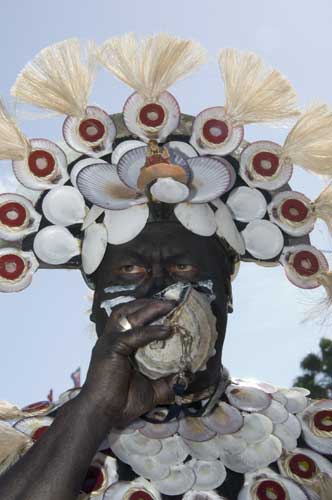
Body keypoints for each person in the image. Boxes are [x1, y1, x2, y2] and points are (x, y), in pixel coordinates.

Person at [0, 34, 332, 500]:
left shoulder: (310, 437)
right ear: (95, 309)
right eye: (128, 274)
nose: (157, 291)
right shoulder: (21, 446)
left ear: (228, 294)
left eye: (182, 268)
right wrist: (94, 411)